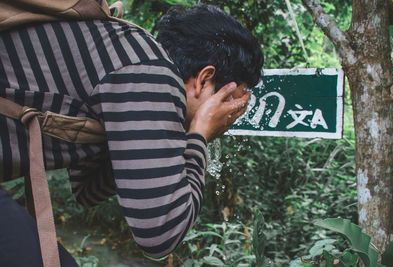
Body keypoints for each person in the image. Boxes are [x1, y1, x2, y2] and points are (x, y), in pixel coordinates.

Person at [0, 3, 263, 265]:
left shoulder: (133, 62)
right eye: (229, 102)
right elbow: (159, 236)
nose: (228, 117)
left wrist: (170, 140)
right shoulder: (152, 74)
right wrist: (200, 135)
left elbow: (87, 190)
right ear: (205, 79)